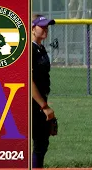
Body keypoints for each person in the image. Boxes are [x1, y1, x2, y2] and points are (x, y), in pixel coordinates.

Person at [31, 14, 56, 168]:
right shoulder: (30, 49)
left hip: (40, 101)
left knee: (42, 143)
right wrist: (44, 107)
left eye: (47, 26)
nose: (46, 29)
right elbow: (28, 81)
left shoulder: (41, 48)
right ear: (33, 29)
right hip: (31, 104)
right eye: (42, 26)